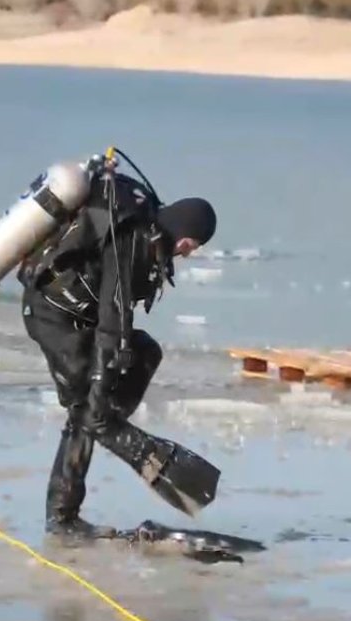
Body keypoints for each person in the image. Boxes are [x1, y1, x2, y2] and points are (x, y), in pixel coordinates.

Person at [16, 162, 217, 538]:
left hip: (77, 316)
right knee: (86, 408)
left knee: (142, 355)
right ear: (187, 238)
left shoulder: (145, 226)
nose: (186, 256)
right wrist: (102, 378)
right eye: (192, 247)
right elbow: (114, 310)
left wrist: (103, 393)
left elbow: (114, 314)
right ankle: (64, 515)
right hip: (53, 317)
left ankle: (96, 437)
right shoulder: (134, 235)